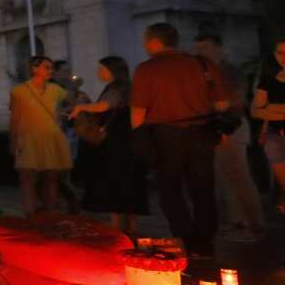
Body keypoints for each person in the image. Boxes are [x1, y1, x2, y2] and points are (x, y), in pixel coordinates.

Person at [131, 22, 228, 261]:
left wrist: (140, 139)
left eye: (146, 41)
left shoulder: (147, 69)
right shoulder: (202, 64)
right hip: (202, 132)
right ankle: (205, 241)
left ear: (154, 42)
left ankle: (184, 238)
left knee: (170, 189)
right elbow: (222, 104)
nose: (145, 45)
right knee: (203, 188)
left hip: (166, 136)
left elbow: (137, 114)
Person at [195, 34, 265, 239]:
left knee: (238, 176)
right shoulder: (208, 71)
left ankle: (254, 224)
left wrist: (212, 106)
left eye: (205, 48)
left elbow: (236, 99)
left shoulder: (229, 71)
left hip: (230, 126)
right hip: (217, 127)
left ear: (220, 48)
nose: (200, 53)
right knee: (226, 177)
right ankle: (238, 221)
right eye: (198, 49)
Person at [69, 56, 147, 234]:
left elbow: (104, 106)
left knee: (115, 183)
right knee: (130, 185)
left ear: (112, 71)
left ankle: (117, 228)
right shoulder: (129, 88)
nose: (98, 73)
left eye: (101, 69)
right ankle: (131, 228)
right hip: (131, 143)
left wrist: (82, 107)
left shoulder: (116, 89)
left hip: (116, 144)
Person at [10, 55, 73, 216]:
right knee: (27, 179)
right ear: (34, 69)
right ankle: (30, 214)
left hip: (51, 137)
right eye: (46, 67)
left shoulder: (56, 90)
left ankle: (50, 213)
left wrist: (66, 111)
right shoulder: (19, 91)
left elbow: (73, 103)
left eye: (51, 67)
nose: (50, 70)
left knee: (51, 177)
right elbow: (15, 118)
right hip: (28, 137)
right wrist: (13, 141)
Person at [251, 38, 285, 217]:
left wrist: (271, 108)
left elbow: (262, 109)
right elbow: (256, 111)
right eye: (280, 53)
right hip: (275, 135)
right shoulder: (267, 81)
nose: (283, 57)